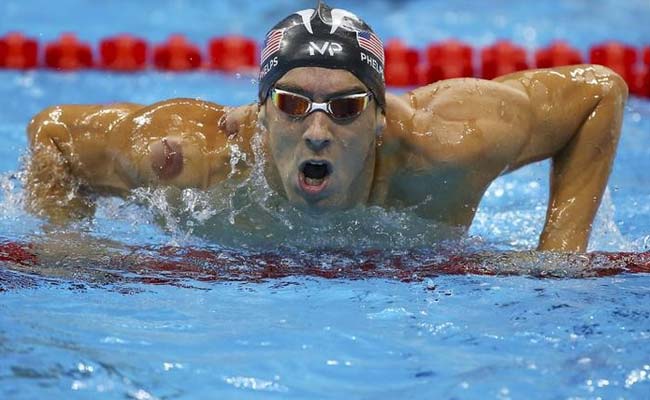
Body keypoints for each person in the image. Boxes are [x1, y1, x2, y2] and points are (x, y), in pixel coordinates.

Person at [24, 2, 628, 252]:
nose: (316, 131)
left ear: (381, 118)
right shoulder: (195, 158)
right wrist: (68, 250)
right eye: (290, 105)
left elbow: (599, 91)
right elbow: (53, 132)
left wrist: (559, 262)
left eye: (344, 109)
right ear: (259, 116)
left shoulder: (450, 146)